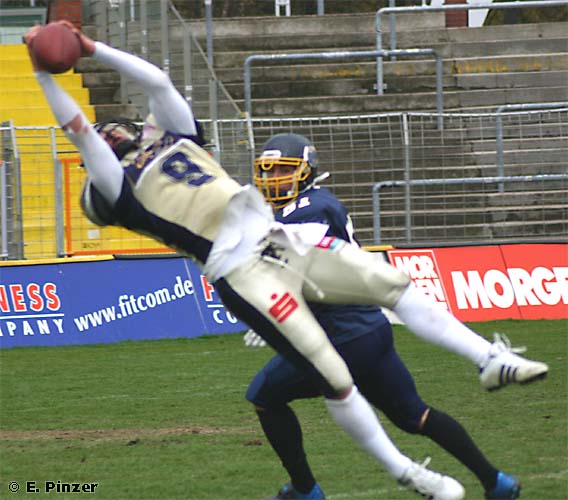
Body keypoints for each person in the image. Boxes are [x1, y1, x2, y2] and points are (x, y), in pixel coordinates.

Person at [24, 22, 547, 500]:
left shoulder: (174, 141)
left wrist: (92, 47)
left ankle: (488, 361)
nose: (112, 131)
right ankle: (412, 473)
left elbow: (158, 81)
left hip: (274, 244)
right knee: (338, 379)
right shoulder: (122, 194)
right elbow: (80, 131)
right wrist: (43, 71)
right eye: (108, 137)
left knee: (394, 286)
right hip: (244, 270)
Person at [245, 133, 528, 500]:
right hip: (369, 328)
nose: (274, 179)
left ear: (307, 170)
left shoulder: (308, 208)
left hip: (337, 335)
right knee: (415, 416)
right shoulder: (311, 204)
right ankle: (496, 481)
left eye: (283, 170)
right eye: (268, 171)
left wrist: (271, 299)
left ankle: (305, 491)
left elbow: (293, 263)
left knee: (264, 395)